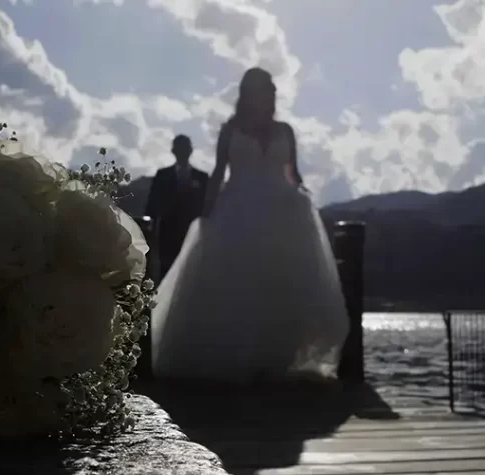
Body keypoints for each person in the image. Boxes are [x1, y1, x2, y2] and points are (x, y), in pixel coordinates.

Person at [150, 67, 349, 383]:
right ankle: (237, 359)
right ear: (250, 92)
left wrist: (307, 201)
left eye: (272, 88)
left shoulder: (285, 129)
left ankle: (276, 359)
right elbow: (218, 173)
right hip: (238, 207)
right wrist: (207, 212)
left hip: (283, 210)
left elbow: (292, 172)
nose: (271, 92)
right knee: (238, 282)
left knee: (283, 283)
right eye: (265, 87)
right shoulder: (231, 130)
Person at [145, 135, 209, 281]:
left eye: (185, 148)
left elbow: (207, 207)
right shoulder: (162, 175)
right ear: (174, 151)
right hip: (168, 233)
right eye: (179, 148)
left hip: (193, 234)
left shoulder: (202, 177)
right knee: (166, 273)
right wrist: (150, 231)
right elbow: (152, 205)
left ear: (190, 150)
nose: (182, 151)